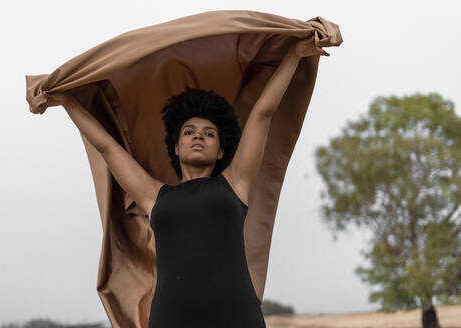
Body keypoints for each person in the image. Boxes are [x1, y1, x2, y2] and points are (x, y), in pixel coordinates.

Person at [62, 35, 328, 328]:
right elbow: (107, 147)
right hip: (171, 319)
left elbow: (263, 114)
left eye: (209, 133)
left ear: (221, 150)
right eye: (189, 132)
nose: (199, 136)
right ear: (176, 147)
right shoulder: (154, 195)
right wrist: (65, 101)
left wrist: (294, 56)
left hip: (237, 316)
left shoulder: (235, 182)